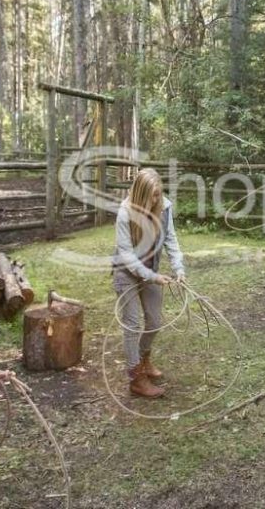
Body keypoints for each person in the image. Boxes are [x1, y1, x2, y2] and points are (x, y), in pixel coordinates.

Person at [112, 169, 185, 398]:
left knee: (154, 320)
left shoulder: (164, 207)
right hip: (127, 273)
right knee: (132, 324)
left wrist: (178, 267)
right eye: (152, 196)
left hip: (150, 270)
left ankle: (144, 360)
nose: (156, 200)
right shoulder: (125, 213)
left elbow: (170, 238)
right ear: (141, 194)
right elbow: (128, 258)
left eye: (158, 194)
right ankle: (136, 378)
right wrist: (153, 277)